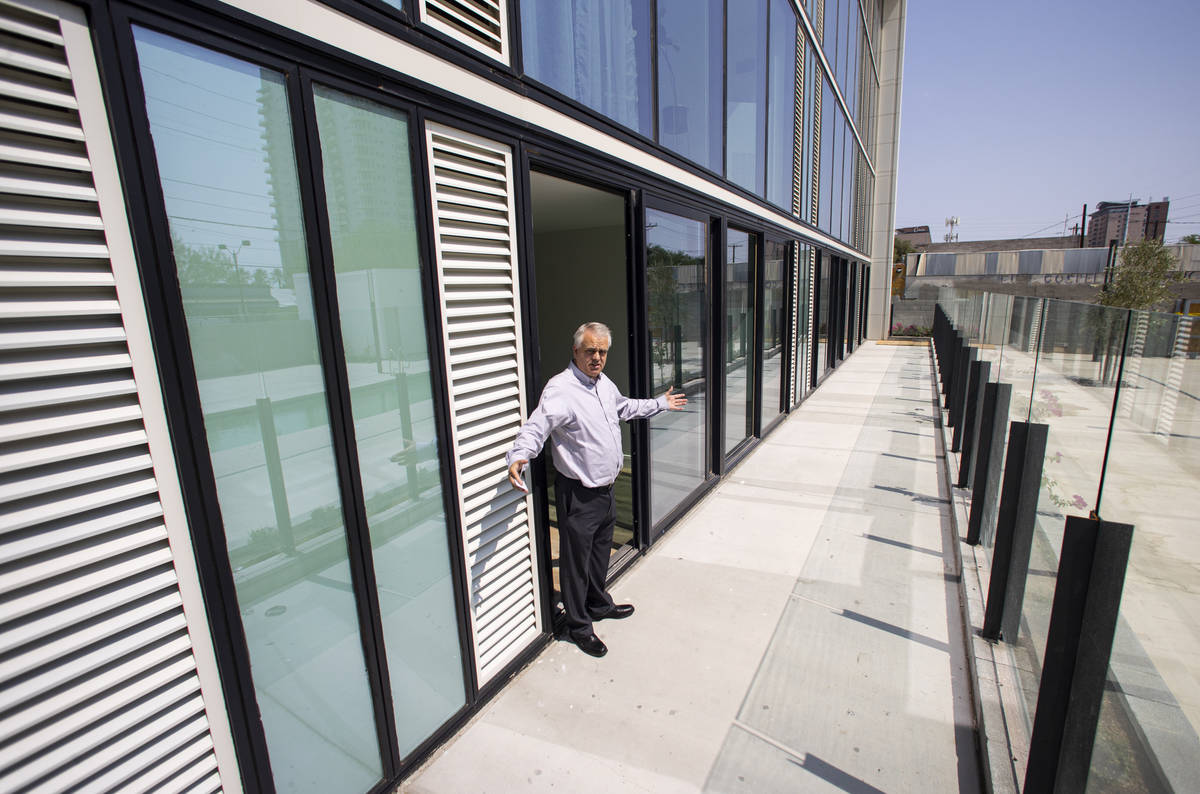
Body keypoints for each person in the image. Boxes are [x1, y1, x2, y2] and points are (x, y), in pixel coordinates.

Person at [506, 322, 687, 657]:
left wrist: (659, 403)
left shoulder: (603, 384)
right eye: (590, 350)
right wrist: (519, 455)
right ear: (576, 351)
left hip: (605, 490)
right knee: (576, 564)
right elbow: (537, 426)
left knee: (599, 552)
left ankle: (597, 603)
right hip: (579, 493)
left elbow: (624, 408)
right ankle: (578, 626)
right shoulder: (560, 389)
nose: (597, 357)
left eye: (602, 351)